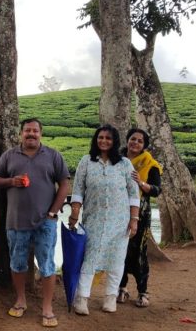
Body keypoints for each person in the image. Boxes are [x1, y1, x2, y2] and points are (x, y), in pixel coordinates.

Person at [0, 118, 71, 328]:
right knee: (17, 263)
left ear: (40, 134)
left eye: (35, 131)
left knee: (47, 265)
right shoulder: (9, 156)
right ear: (21, 134)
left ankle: (47, 307)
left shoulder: (53, 156)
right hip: (16, 222)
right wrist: (12, 181)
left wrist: (53, 212)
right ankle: (20, 300)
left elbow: (64, 184)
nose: (31, 134)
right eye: (27, 130)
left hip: (45, 223)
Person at [67, 124, 140, 315]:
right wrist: (75, 212)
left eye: (108, 138)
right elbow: (78, 190)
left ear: (114, 141)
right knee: (89, 259)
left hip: (119, 221)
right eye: (100, 137)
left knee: (116, 260)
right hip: (94, 219)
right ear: (95, 140)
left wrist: (134, 219)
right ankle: (82, 298)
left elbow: (133, 193)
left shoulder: (124, 164)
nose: (104, 141)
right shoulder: (86, 161)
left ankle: (110, 297)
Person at [118, 127, 162, 308]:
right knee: (119, 252)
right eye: (132, 139)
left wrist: (140, 183)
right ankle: (121, 288)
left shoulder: (150, 164)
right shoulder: (116, 160)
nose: (135, 143)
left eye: (139, 141)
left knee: (139, 253)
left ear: (144, 145)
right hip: (118, 211)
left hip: (140, 213)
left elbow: (156, 190)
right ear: (127, 140)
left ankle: (143, 291)